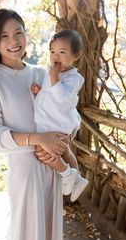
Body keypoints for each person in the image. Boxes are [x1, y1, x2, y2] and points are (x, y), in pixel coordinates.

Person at [0, 9, 71, 240]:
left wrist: (60, 143)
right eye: (4, 35)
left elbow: (64, 113)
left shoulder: (40, 74)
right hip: (25, 172)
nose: (13, 40)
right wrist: (38, 139)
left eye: (18, 32)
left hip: (51, 167)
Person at [31, 29, 88, 201]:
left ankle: (67, 174)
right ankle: (76, 178)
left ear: (76, 55)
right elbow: (51, 96)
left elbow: (63, 98)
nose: (56, 56)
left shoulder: (74, 78)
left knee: (44, 150)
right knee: (65, 152)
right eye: (53, 51)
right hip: (52, 123)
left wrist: (53, 78)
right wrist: (41, 91)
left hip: (58, 124)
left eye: (62, 52)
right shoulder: (54, 74)